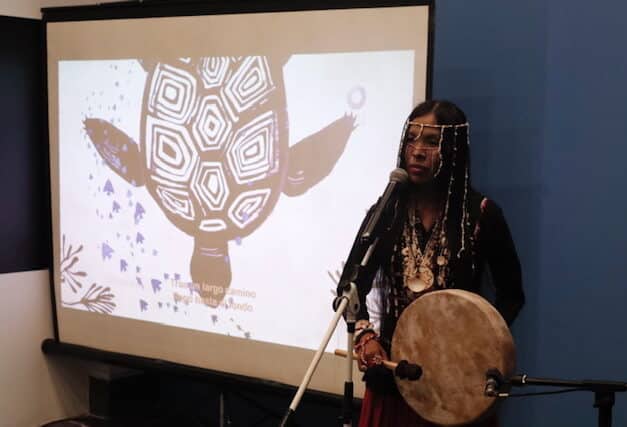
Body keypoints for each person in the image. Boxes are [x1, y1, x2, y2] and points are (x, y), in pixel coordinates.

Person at [340, 100, 525, 427]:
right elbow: (349, 287)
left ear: (453, 149)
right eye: (411, 139)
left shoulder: (481, 215)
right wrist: (366, 338)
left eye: (431, 142)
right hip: (394, 380)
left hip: (456, 386)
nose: (417, 152)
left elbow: (512, 295)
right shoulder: (387, 212)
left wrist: (476, 344)